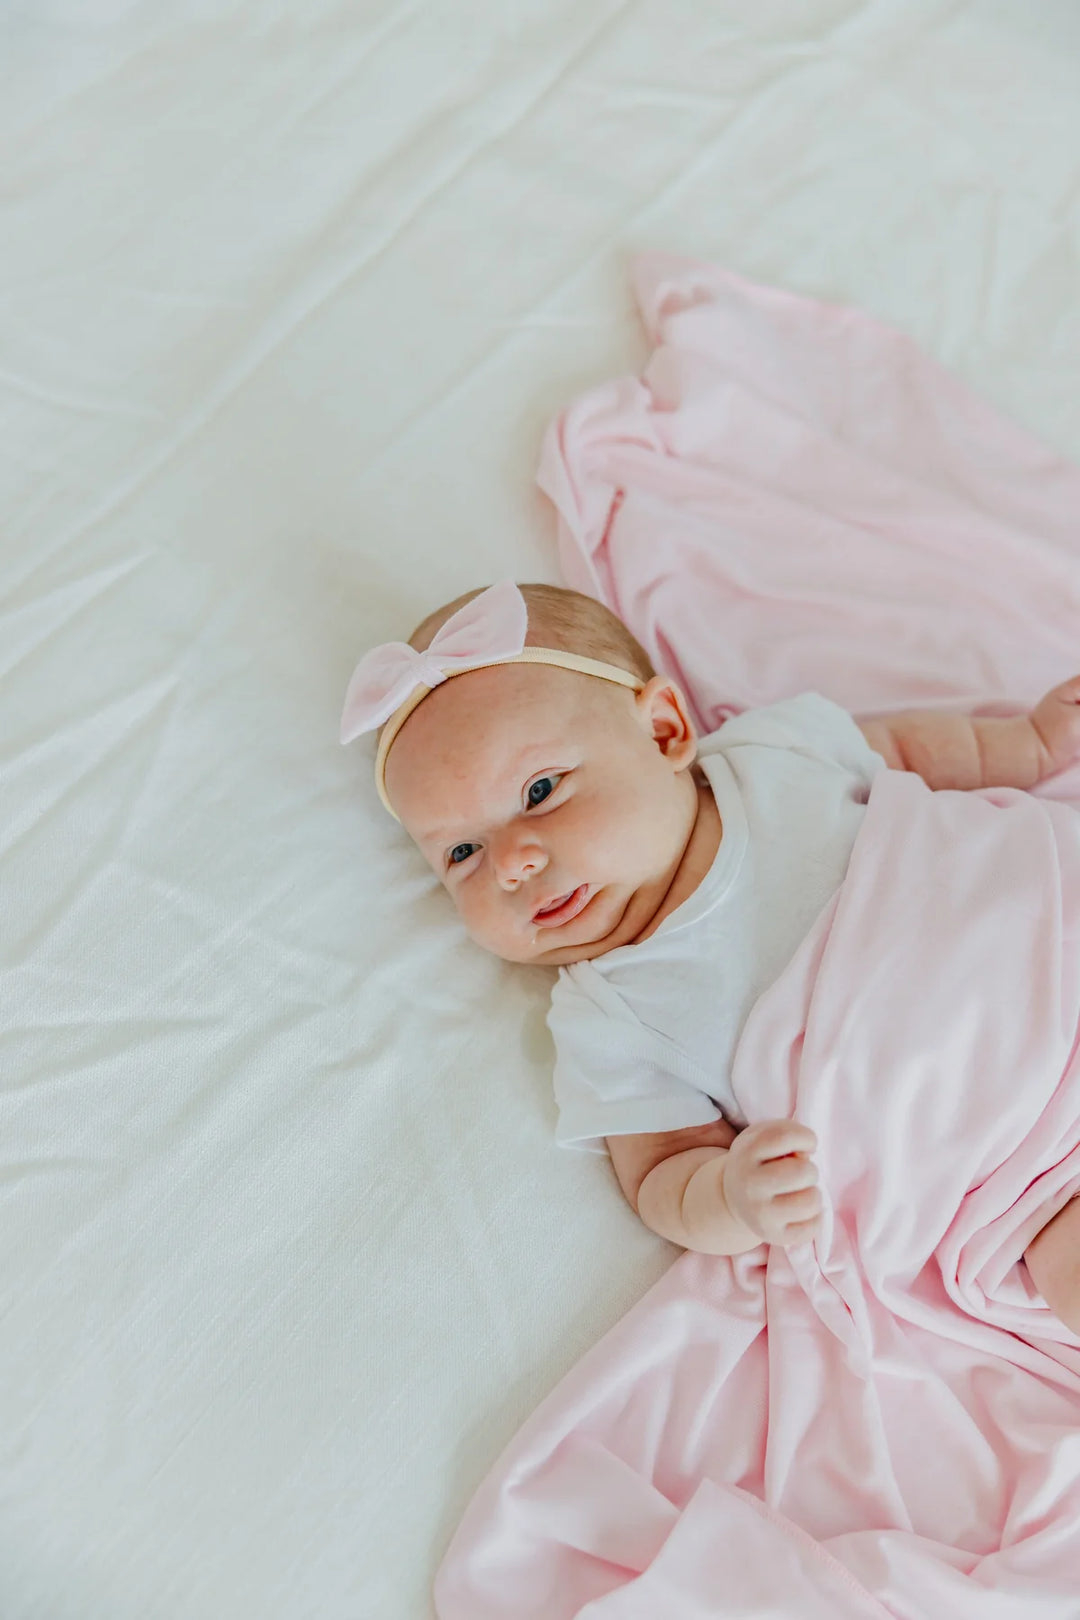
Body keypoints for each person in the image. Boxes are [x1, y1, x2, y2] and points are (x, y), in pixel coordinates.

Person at [340, 579, 1080, 1329]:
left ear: (663, 731)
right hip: (1021, 1170)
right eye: (461, 852)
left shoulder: (772, 752)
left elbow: (907, 749)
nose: (511, 864)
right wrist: (731, 1196)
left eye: (539, 791)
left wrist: (1031, 745)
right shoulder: (608, 1015)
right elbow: (661, 1171)